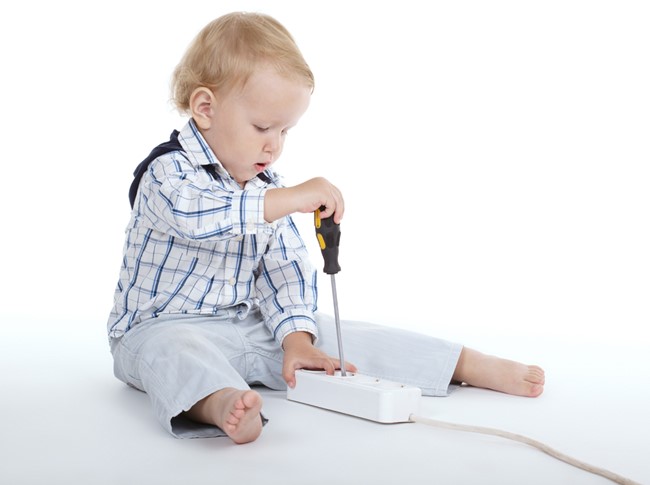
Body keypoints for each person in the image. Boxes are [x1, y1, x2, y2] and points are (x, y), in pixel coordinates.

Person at [107, 11, 545, 445]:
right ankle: (221, 403)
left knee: (332, 332)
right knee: (176, 352)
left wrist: (297, 340)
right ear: (205, 109)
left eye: (285, 131)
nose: (273, 145)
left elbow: (283, 270)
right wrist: (290, 198)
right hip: (154, 328)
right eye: (262, 127)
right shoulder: (167, 173)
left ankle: (461, 364)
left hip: (243, 327)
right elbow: (200, 215)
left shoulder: (265, 188)